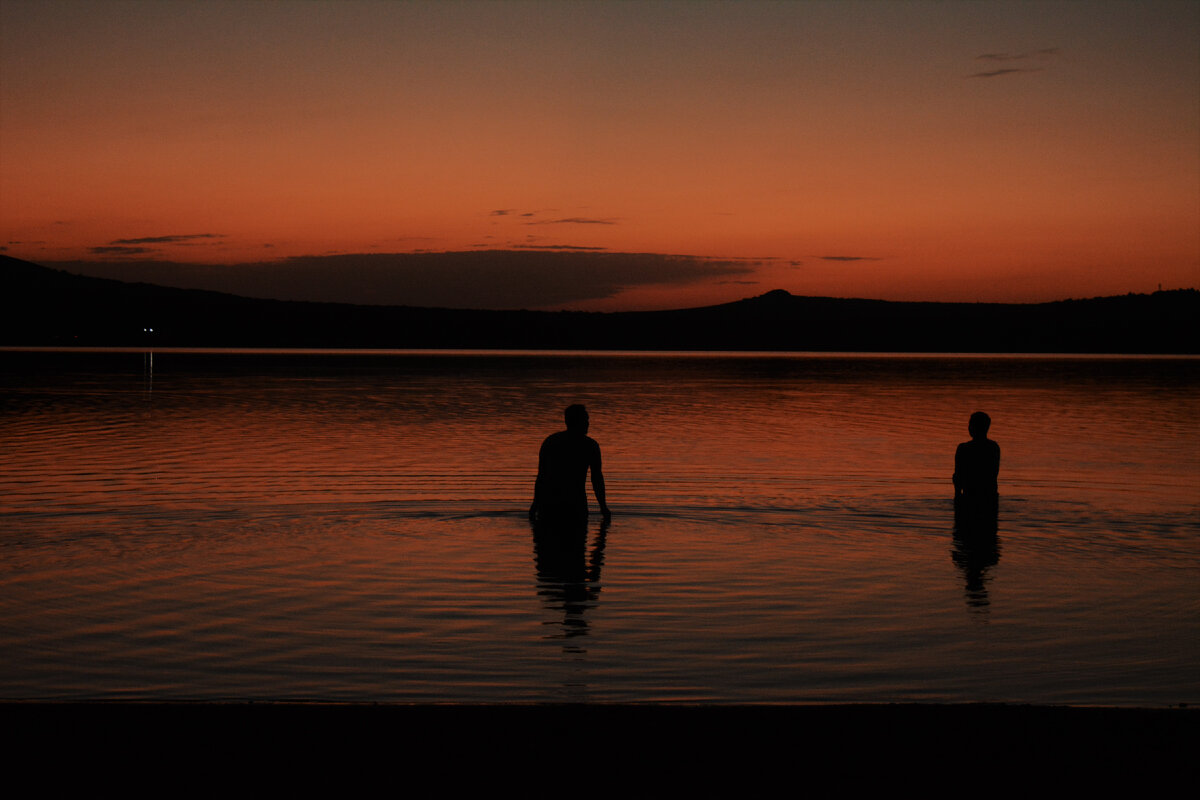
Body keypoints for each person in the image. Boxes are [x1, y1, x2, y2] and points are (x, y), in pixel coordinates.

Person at [530, 404, 610, 523]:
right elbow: (596, 478)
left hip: (554, 504)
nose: (588, 423)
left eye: (587, 420)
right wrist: (603, 507)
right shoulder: (590, 446)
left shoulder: (551, 441)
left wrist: (534, 505)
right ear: (574, 422)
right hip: (570, 505)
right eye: (584, 420)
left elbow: (541, 476)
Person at [953, 411, 1000, 509]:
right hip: (990, 497)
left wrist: (957, 496)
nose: (969, 427)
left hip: (969, 496)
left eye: (971, 424)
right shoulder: (993, 447)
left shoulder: (964, 448)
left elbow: (958, 476)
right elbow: (993, 473)